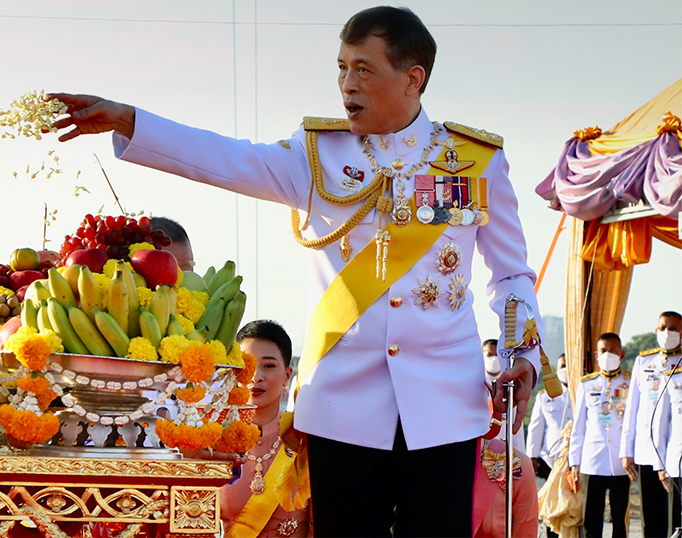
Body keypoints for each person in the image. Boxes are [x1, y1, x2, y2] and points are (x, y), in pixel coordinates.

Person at [49, 6, 544, 536]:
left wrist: (523, 354)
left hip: (445, 409)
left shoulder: (476, 161)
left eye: (363, 69)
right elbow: (226, 157)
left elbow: (511, 275)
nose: (346, 84)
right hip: (342, 408)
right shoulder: (316, 156)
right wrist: (130, 120)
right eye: (341, 68)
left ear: (412, 79)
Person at [221, 320, 310, 538]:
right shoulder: (215, 443)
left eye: (268, 366)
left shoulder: (306, 441)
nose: (256, 377)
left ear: (287, 376)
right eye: (246, 366)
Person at [620, 311, 682, 538]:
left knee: (675, 520)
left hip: (677, 453)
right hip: (648, 450)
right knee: (652, 518)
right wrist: (626, 450)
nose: (668, 332)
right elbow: (632, 408)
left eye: (674, 328)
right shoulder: (644, 361)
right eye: (664, 327)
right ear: (656, 330)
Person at [568, 333, 631, 538]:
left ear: (621, 354)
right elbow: (579, 427)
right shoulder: (587, 384)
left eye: (613, 350)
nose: (608, 354)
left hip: (620, 461)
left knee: (620, 519)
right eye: (603, 350)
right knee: (591, 518)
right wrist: (574, 461)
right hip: (593, 461)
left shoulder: (630, 383)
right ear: (596, 355)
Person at [527, 353, 571, 538]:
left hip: (576, 461)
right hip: (551, 460)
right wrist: (532, 457)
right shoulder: (545, 397)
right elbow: (536, 428)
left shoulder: (584, 391)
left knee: (572, 509)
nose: (565, 369)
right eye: (562, 365)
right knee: (552, 507)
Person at [654, 345, 682, 533]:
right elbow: (660, 423)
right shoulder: (673, 378)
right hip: (678, 463)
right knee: (676, 527)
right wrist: (661, 464)